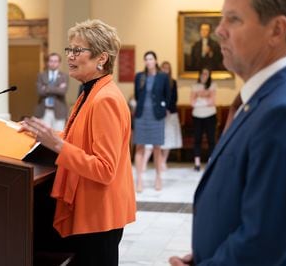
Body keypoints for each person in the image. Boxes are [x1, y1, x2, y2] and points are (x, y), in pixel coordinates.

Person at [170, 0, 286, 265]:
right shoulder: (265, 100)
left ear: (276, 30)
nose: (220, 29)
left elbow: (262, 242)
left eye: (233, 19)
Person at [19, 19, 136, 266]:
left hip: (100, 214)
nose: (70, 56)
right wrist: (44, 135)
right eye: (69, 50)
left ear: (101, 58)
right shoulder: (90, 91)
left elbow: (104, 169)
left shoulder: (105, 99)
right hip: (93, 210)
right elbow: (79, 141)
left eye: (77, 50)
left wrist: (58, 145)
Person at [133, 51, 170, 192]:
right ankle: (139, 181)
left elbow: (167, 95)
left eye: (150, 59)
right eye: (146, 59)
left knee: (157, 148)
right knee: (140, 147)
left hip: (157, 116)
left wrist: (163, 107)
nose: (148, 61)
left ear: (155, 61)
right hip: (142, 114)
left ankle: (158, 177)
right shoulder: (139, 76)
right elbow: (137, 95)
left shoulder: (163, 77)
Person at [143, 61, 183, 171]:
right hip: (158, 114)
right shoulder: (157, 81)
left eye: (168, 68)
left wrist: (168, 109)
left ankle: (163, 161)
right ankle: (158, 161)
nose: (166, 70)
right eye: (164, 68)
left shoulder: (173, 82)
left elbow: (174, 98)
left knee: (169, 138)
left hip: (170, 113)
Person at [190, 68, 217, 171]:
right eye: (203, 74)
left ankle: (211, 162)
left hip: (210, 115)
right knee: (197, 139)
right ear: (200, 74)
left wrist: (199, 98)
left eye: (207, 74)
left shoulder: (213, 85)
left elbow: (212, 101)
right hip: (197, 115)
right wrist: (206, 98)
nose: (204, 75)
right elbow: (192, 102)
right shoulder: (194, 86)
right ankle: (197, 163)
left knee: (211, 139)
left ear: (209, 75)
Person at [34, 53, 69, 131]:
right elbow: (40, 92)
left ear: (59, 63)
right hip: (44, 111)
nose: (53, 63)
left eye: (55, 61)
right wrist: (57, 88)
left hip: (59, 111)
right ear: (47, 62)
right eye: (51, 61)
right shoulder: (41, 75)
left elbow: (62, 92)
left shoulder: (64, 76)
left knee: (58, 135)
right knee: (43, 136)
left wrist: (46, 88)